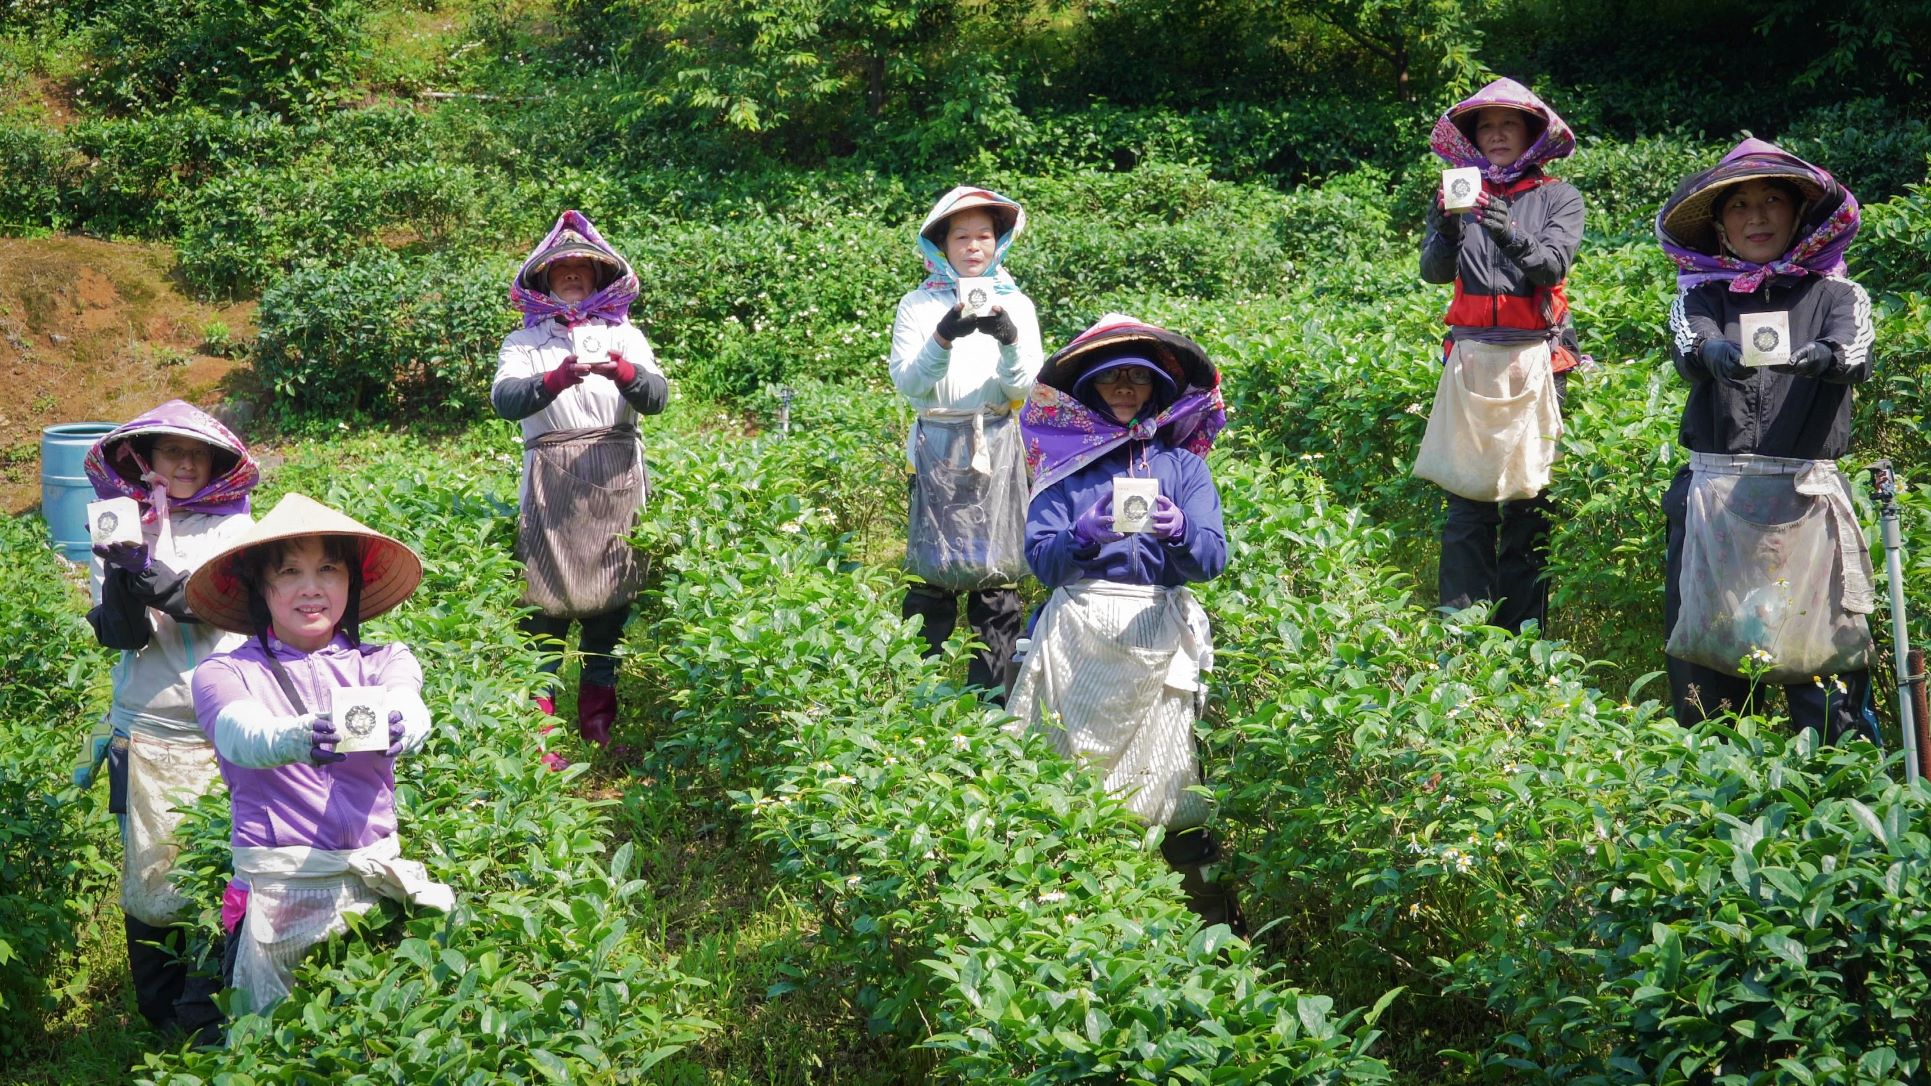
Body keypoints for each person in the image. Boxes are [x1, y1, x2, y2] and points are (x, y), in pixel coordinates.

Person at [1007, 315, 1242, 932]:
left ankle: (1206, 926)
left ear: (1157, 390)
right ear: (1092, 388)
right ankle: (1062, 921)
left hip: (1158, 628)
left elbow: (1213, 557)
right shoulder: (1065, 470)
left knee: (1175, 782)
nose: (1126, 387)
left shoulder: (1184, 470)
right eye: (1113, 377)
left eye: (1139, 378)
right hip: (1080, 629)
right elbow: (1042, 560)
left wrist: (1181, 530)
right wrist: (1081, 537)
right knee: (1064, 778)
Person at [186, 493, 452, 1016]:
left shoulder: (384, 660)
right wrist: (298, 737)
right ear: (262, 589)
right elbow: (243, 734)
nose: (312, 588)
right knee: (271, 1049)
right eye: (289, 572)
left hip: (372, 883)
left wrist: (406, 724)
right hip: (280, 891)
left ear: (350, 581)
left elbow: (408, 700)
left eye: (328, 568)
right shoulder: (225, 673)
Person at [1656, 138, 1876, 739]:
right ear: (1721, 225)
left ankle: (1837, 789)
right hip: (1716, 498)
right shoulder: (1699, 296)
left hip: (1804, 500)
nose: (1757, 216)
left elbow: (1855, 350)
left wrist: (1823, 357)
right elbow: (1688, 341)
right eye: (1739, 205)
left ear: (1798, 214)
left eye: (1773, 200)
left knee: (1824, 666)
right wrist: (1716, 351)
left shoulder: (1838, 295)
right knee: (1709, 663)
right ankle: (1717, 794)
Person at [81, 399, 258, 1043]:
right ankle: (160, 1017)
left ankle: (205, 1015)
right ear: (145, 460)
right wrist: (122, 571)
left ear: (214, 463)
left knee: (223, 870)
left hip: (224, 730)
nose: (183, 463)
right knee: (152, 881)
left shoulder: (234, 531)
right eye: (169, 452)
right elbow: (120, 635)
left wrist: (146, 570)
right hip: (150, 731)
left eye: (196, 453)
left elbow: (208, 603)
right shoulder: (122, 525)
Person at [493, 210, 668, 755]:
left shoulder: (627, 335)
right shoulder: (524, 341)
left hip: (615, 480)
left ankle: (599, 727)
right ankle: (541, 735)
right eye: (560, 268)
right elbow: (505, 400)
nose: (571, 273)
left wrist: (624, 373)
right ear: (544, 279)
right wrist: (556, 377)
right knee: (542, 611)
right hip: (550, 484)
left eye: (581, 268)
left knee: (608, 611)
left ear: (598, 277)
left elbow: (656, 399)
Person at [1417, 77, 1585, 633]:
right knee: (1467, 505)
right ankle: (1461, 636)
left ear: (1531, 134)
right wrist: (1446, 224)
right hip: (1470, 360)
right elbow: (1435, 272)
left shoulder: (1558, 196)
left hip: (1535, 357)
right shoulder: (1455, 190)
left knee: (1528, 501)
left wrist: (1503, 226)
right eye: (1485, 127)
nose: (1495, 135)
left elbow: (1553, 266)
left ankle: (1522, 636)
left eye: (1507, 125)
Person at [889, 186, 1045, 701]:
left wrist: (1008, 337)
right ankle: (919, 702)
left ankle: (992, 708)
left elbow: (1024, 388)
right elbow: (910, 384)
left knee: (995, 579)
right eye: (962, 236)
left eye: (984, 235)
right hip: (936, 444)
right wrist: (943, 336)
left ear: (998, 242)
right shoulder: (918, 304)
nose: (973, 246)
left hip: (997, 442)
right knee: (930, 576)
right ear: (941, 244)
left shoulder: (1016, 303)